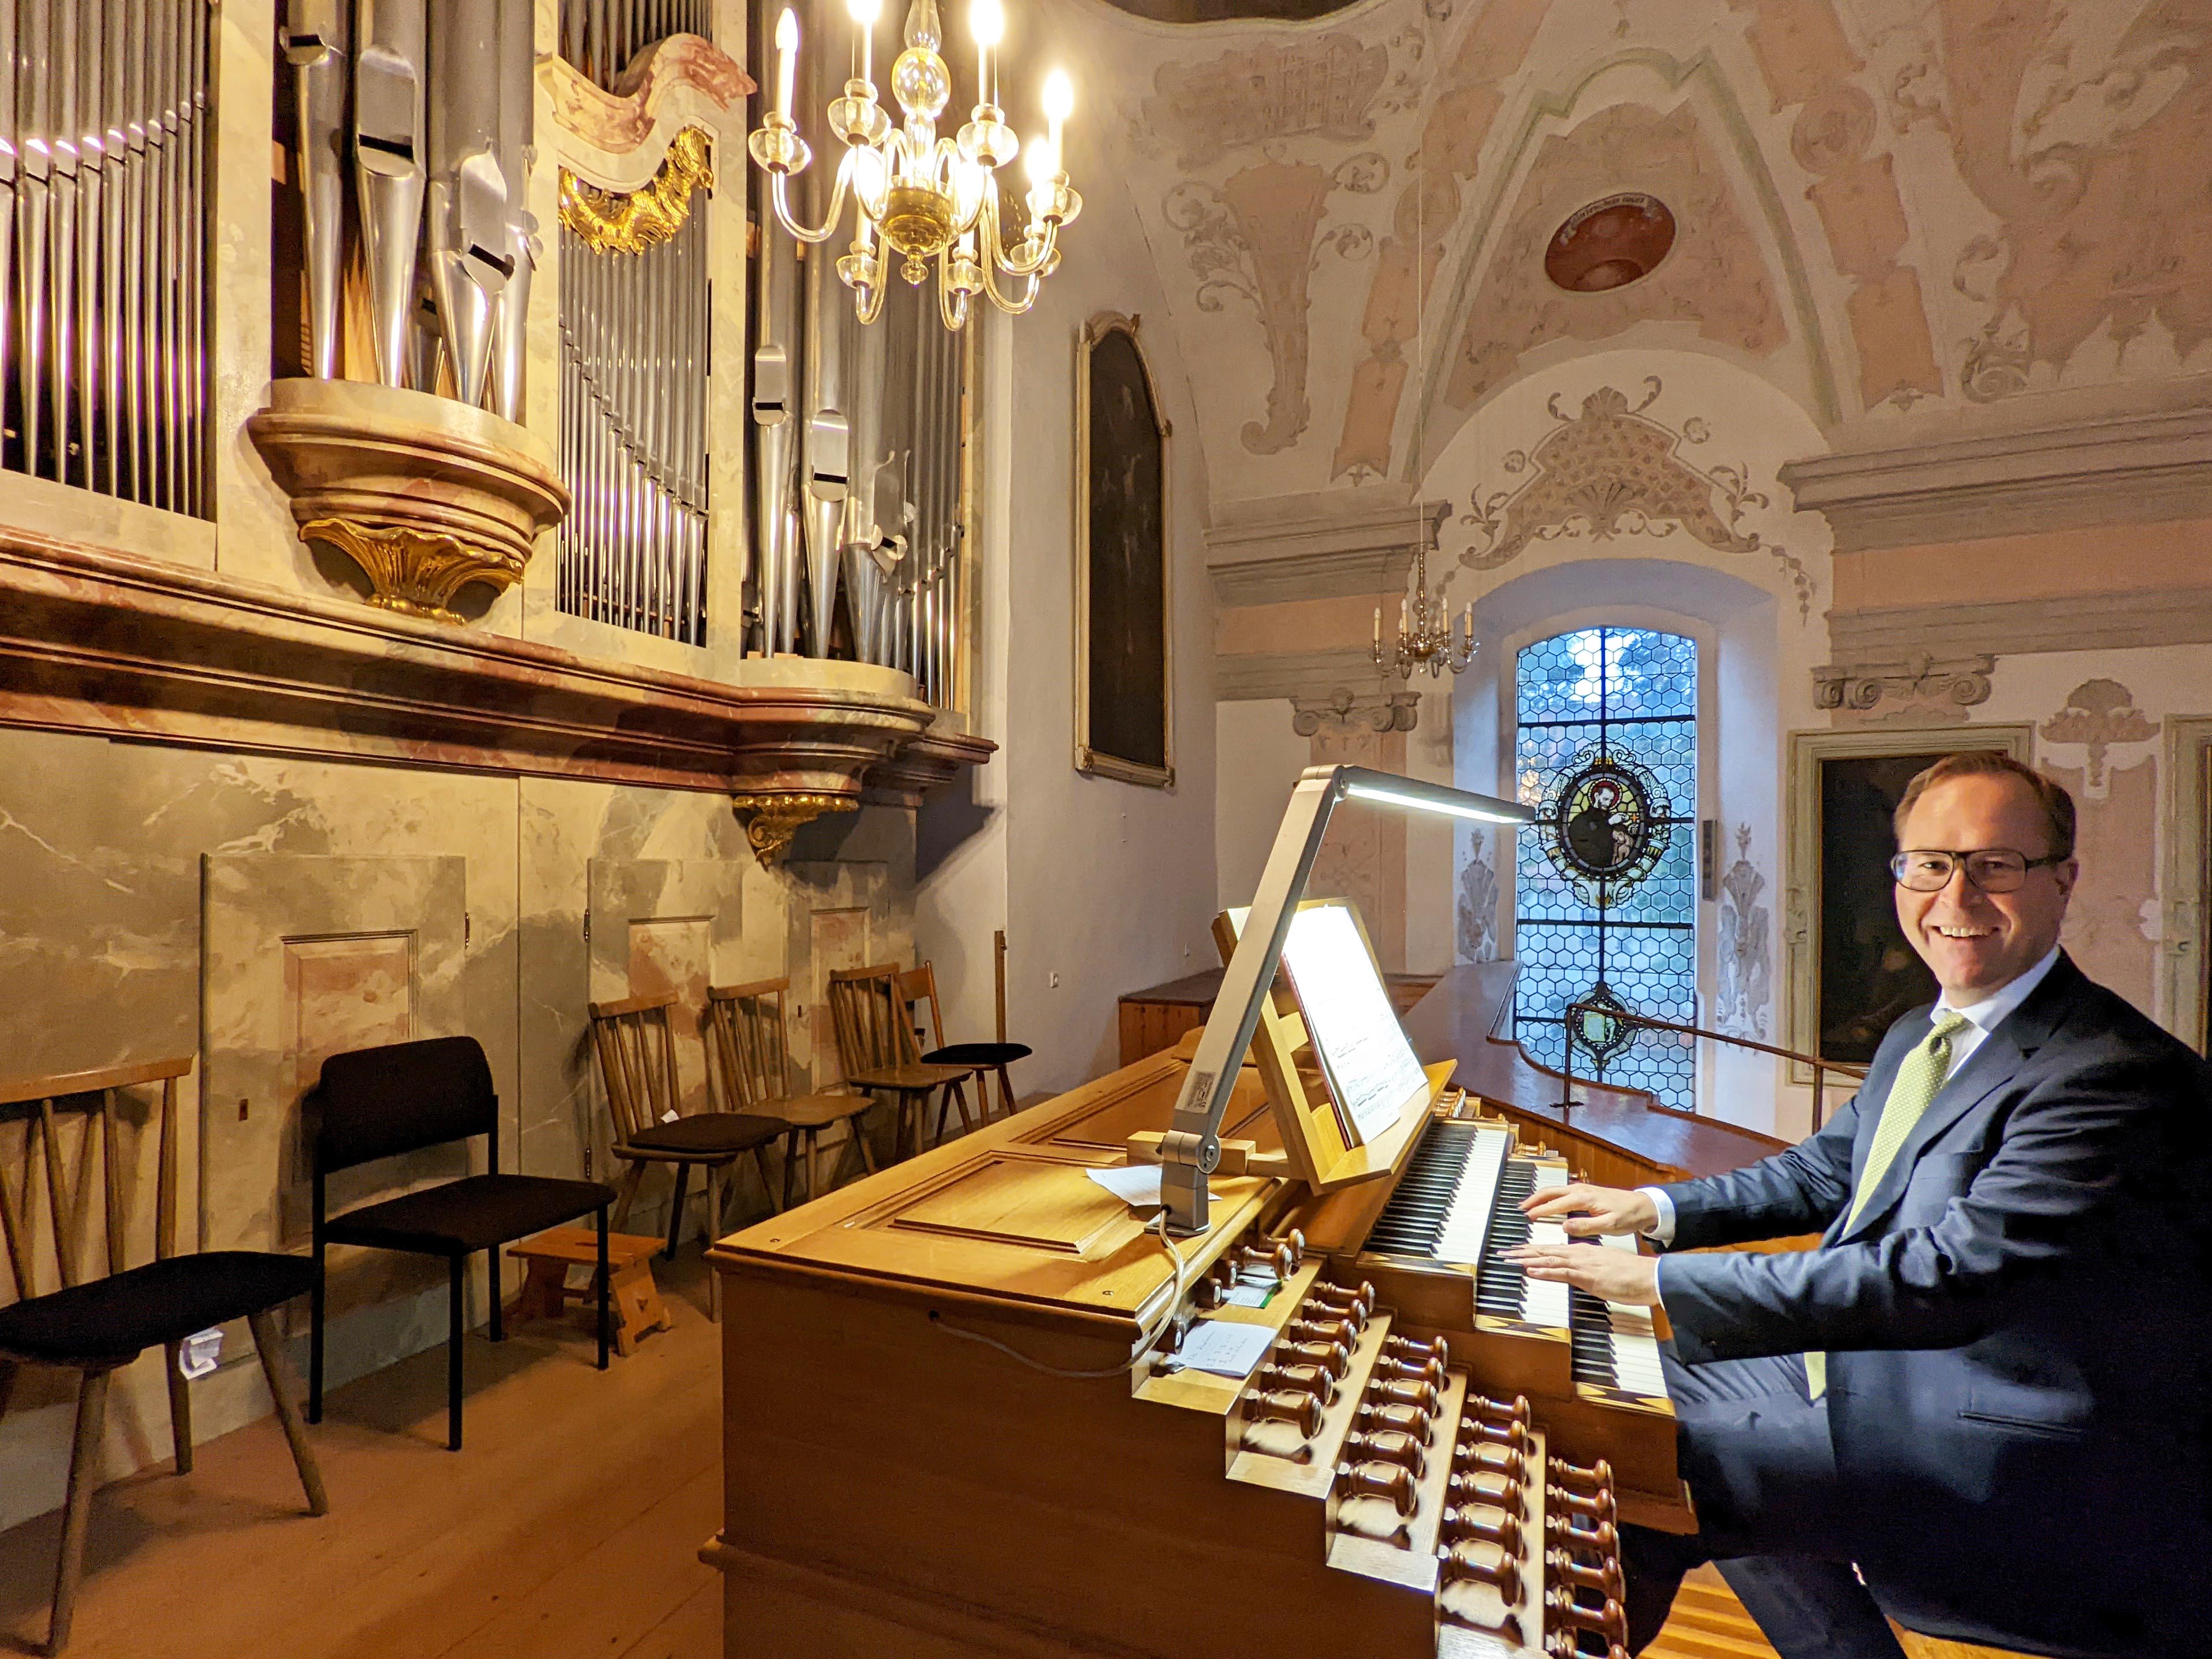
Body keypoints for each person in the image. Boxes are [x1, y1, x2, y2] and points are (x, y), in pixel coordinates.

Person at [1506, 751, 2212, 1659]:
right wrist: (1649, 1211)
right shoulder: (1925, 1030)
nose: (1953, 895)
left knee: (1621, 1460)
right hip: (1894, 1375)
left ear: (2061, 881)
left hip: (2004, 1439)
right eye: (1929, 863)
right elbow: (1821, 1175)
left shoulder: (2108, 1073)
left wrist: (1656, 1283)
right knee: (1599, 1396)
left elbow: (1942, 1280)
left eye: (1994, 865)